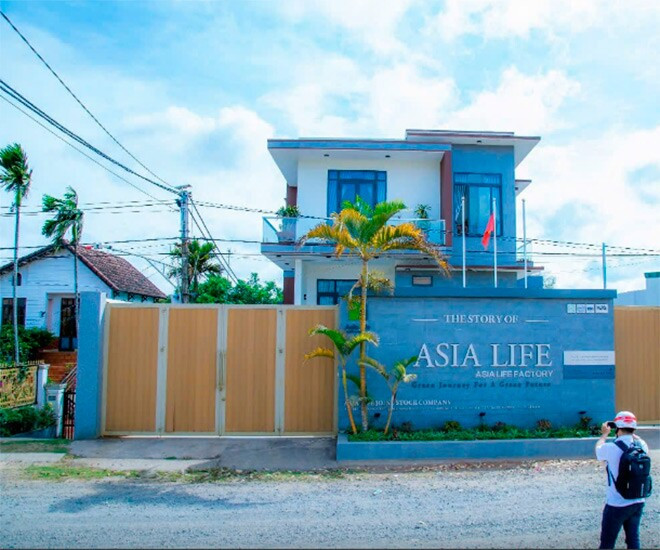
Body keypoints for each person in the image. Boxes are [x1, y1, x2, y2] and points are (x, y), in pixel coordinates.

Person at [595, 410, 649, 549]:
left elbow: (598, 449)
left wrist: (604, 434)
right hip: (638, 500)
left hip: (616, 503)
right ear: (634, 428)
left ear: (617, 428)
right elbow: (638, 439)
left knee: (607, 543)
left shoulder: (611, 447)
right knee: (633, 540)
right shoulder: (642, 446)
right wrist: (631, 434)